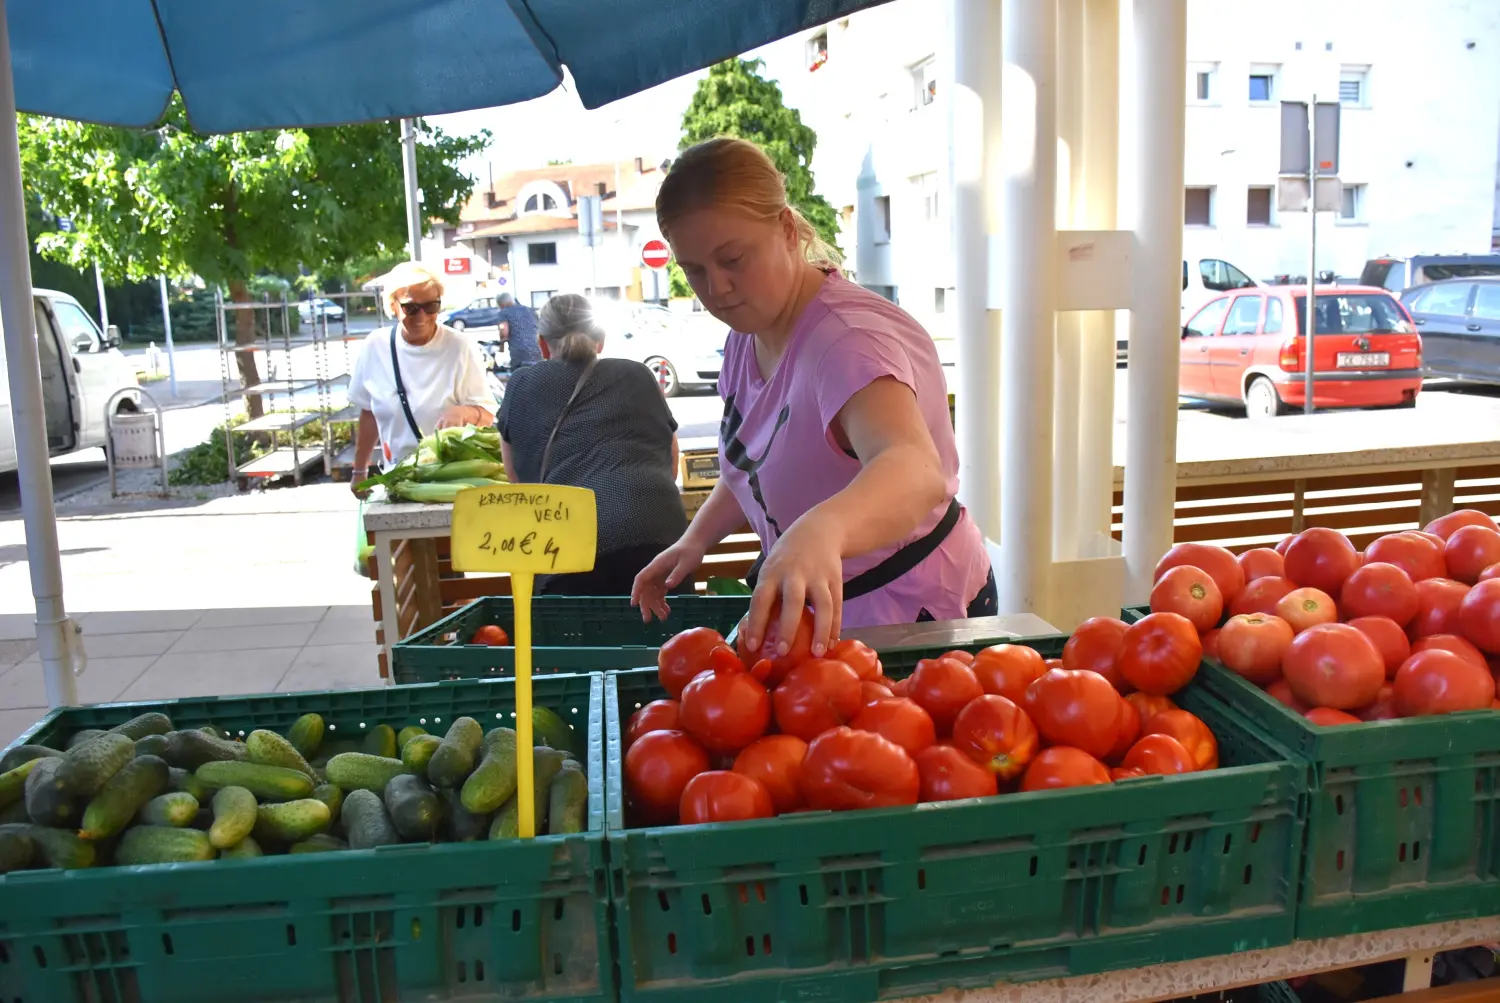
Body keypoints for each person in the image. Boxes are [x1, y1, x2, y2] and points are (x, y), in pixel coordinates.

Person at [631, 137, 994, 658]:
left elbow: (914, 469)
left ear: (785, 229)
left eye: (733, 258)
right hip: (829, 617)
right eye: (695, 271)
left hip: (913, 611)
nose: (718, 288)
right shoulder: (747, 335)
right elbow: (749, 468)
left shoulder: (847, 341)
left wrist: (825, 527)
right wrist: (695, 540)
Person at [498, 293, 689, 595]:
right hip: (659, 535)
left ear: (542, 344)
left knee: (580, 640)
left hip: (568, 546)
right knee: (672, 639)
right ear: (600, 340)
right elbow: (671, 463)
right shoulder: (637, 373)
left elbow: (516, 480)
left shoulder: (522, 384)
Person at [348, 261, 495, 491]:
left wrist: (464, 411)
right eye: (411, 308)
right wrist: (359, 471)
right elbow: (369, 413)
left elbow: (487, 415)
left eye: (431, 306)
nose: (422, 317)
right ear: (393, 305)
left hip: (453, 481)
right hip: (398, 479)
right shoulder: (375, 347)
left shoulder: (461, 347)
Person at [497, 292, 542, 370]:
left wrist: (501, 348)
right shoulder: (530, 310)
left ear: (501, 304)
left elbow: (504, 331)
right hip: (537, 350)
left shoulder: (504, 312)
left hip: (519, 353)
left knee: (519, 376)